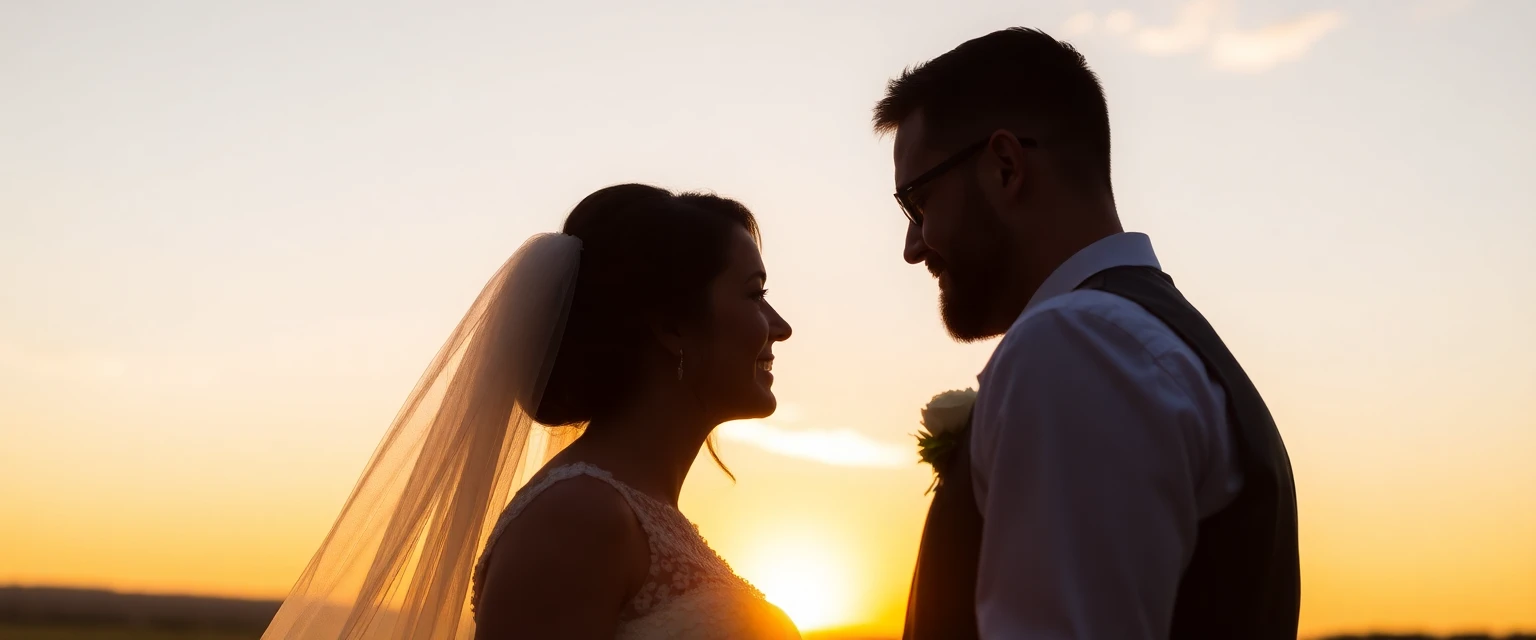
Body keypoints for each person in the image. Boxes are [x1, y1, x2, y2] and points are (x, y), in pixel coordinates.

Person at [878, 28, 1301, 639]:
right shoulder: (1160, 342)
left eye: (918, 202)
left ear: (1005, 166)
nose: (913, 247)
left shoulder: (1077, 346)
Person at [261, 184, 800, 640]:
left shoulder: (638, 515)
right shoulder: (577, 518)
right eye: (754, 295)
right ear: (670, 327)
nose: (780, 326)